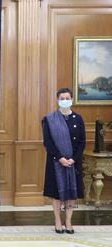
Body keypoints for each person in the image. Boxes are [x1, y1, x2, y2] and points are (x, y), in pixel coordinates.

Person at [42, 87, 85, 234]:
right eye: (62, 98)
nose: (65, 101)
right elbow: (48, 143)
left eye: (67, 98)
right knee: (56, 194)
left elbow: (82, 142)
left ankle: (68, 221)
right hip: (55, 162)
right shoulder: (49, 119)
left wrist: (73, 159)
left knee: (71, 194)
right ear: (57, 100)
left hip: (74, 163)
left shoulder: (78, 119)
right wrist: (60, 158)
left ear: (72, 100)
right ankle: (57, 220)